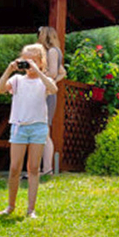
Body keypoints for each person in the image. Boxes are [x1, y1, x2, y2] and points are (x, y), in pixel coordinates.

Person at [0, 43, 58, 218]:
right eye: (25, 60)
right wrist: (9, 70)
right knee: (14, 168)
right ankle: (10, 206)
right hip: (19, 127)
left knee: (33, 168)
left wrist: (37, 72)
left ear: (40, 62)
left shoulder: (43, 81)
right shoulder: (16, 80)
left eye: (32, 60)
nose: (28, 64)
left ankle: (31, 209)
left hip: (38, 127)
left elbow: (53, 89)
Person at [38, 26, 67, 174]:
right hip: (48, 93)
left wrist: (39, 75)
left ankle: (47, 168)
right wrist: (54, 81)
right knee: (44, 131)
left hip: (47, 95)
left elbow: (54, 72)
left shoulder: (51, 52)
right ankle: (44, 168)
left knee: (45, 132)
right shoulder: (56, 51)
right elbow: (63, 73)